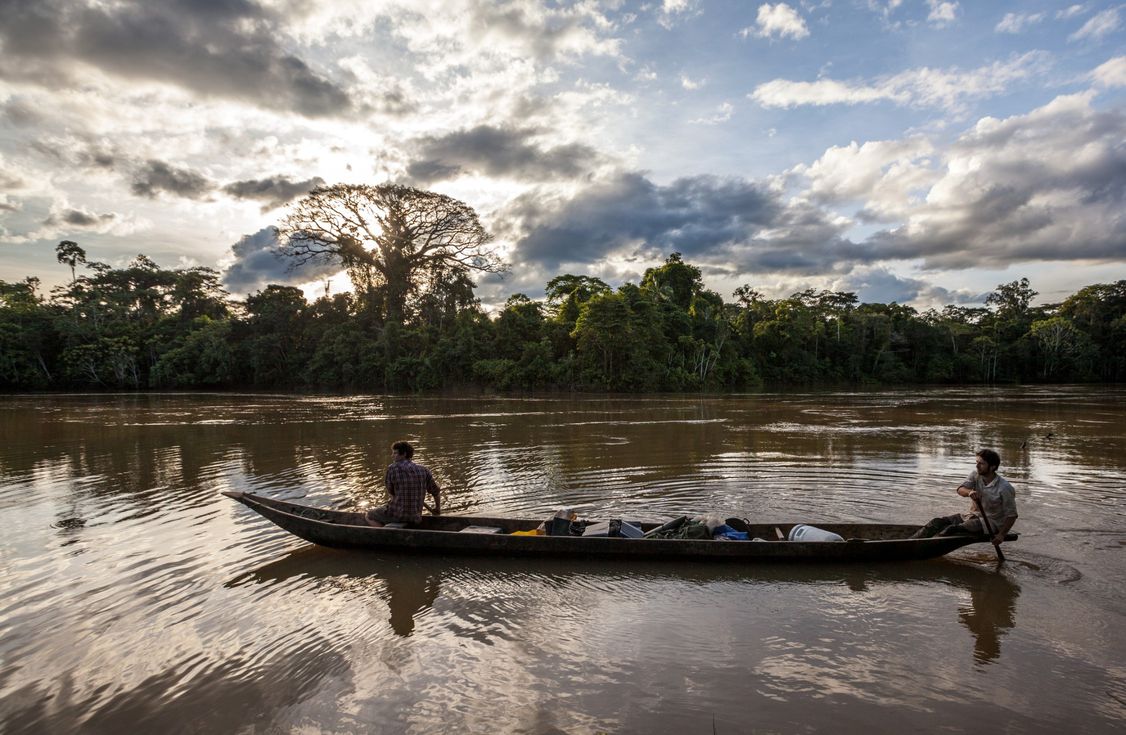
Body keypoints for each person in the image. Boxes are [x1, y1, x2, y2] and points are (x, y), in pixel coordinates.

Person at [911, 449, 1018, 546]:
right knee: (937, 522)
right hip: (971, 516)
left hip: (991, 523)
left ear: (992, 467)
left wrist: (1001, 535)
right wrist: (969, 492)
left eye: (981, 464)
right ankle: (910, 542)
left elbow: (1012, 515)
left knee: (952, 530)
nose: (977, 466)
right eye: (977, 463)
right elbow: (960, 489)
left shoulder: (1004, 488)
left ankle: (926, 548)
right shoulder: (975, 475)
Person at [365, 441, 441, 527]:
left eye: (395, 453)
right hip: (416, 517)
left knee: (369, 515)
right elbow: (436, 491)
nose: (392, 455)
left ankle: (385, 534)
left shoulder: (392, 468)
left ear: (404, 454)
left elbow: (391, 493)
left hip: (398, 515)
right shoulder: (424, 470)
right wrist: (437, 508)